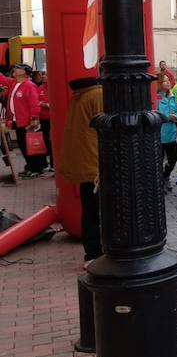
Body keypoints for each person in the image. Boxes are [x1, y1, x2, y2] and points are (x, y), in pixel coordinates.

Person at [58, 77, 102, 267]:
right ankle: (95, 253)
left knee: (90, 211)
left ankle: (92, 252)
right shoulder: (97, 95)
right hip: (96, 167)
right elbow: (105, 128)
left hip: (86, 166)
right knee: (97, 212)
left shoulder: (79, 96)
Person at [1, 65, 43, 178]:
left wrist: (34, 119)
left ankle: (36, 169)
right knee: (23, 145)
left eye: (18, 68)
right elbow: (3, 80)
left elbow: (34, 104)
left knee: (30, 146)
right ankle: (30, 167)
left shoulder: (29, 85)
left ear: (24, 73)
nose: (15, 69)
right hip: (18, 121)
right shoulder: (14, 83)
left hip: (27, 122)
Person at [156, 72, 177, 191]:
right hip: (160, 134)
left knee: (173, 158)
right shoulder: (156, 97)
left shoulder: (172, 96)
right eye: (165, 81)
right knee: (159, 160)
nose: (168, 82)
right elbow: (155, 112)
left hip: (171, 133)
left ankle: (165, 176)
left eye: (168, 80)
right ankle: (160, 181)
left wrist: (176, 115)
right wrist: (168, 116)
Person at [33, 70, 53, 171]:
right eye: (43, 75)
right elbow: (36, 100)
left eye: (46, 75)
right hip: (43, 118)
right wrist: (42, 104)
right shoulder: (40, 88)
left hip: (52, 119)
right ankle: (47, 161)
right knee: (45, 140)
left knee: (51, 140)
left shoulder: (54, 88)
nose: (44, 76)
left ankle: (52, 164)